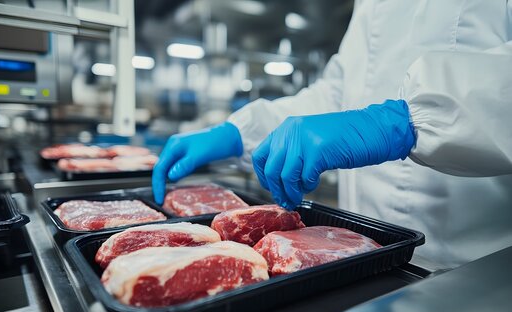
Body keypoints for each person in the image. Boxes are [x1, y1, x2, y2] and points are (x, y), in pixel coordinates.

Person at [153, 0, 512, 270]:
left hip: (472, 267)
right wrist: (241, 131)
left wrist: (406, 121)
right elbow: (334, 96)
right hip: (359, 252)